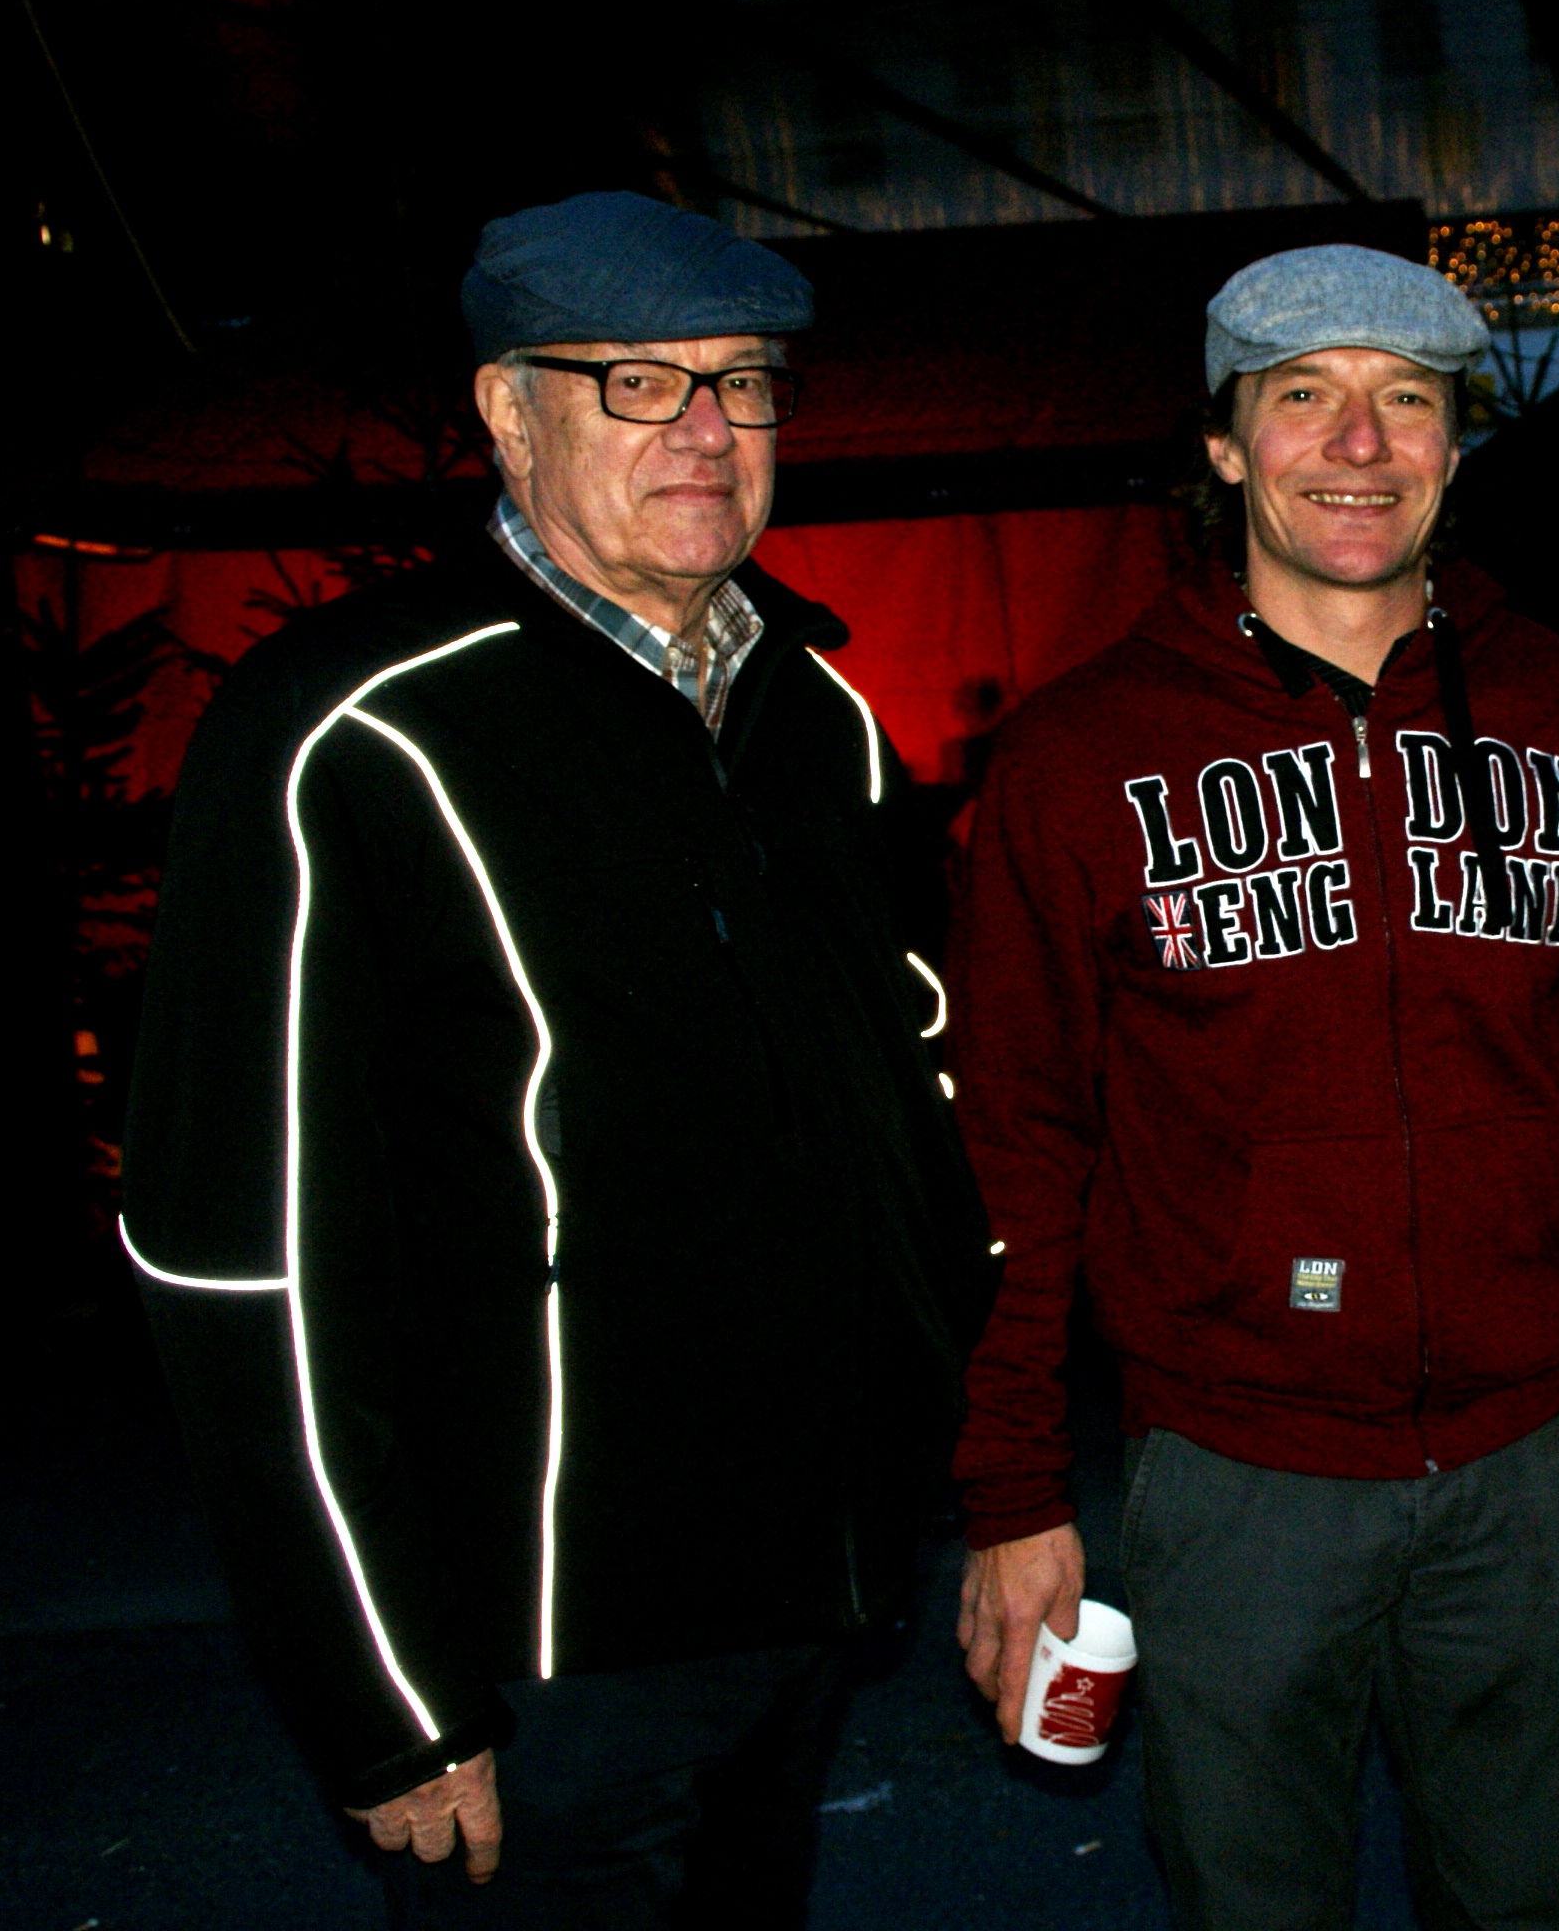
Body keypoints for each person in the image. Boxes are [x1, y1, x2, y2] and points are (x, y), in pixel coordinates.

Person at [121, 191, 997, 1926]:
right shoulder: (357, 726)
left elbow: (909, 1103)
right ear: (508, 414)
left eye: (744, 384)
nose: (706, 432)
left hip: (804, 1601)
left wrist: (946, 1463)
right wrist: (383, 1697)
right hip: (536, 1652)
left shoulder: (813, 717)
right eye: (637, 383)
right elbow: (240, 1264)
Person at [946, 244, 1559, 1930]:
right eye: (1305, 397)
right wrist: (1014, 1491)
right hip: (1237, 1469)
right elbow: (1018, 1143)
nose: (1360, 445)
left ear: (1453, 443)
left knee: (1523, 1907)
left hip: (1536, 1455)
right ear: (1226, 446)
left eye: (1406, 400)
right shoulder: (1081, 759)